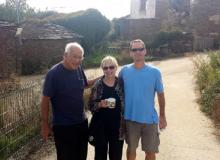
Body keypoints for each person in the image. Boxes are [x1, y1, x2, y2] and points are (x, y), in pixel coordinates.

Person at [41, 42, 98, 160]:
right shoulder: (54, 74)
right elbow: (45, 100)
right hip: (63, 127)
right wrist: (45, 124)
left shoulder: (78, 69)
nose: (77, 60)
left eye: (80, 57)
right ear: (65, 55)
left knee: (81, 156)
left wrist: (102, 78)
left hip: (81, 123)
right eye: (74, 56)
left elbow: (85, 84)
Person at [119, 39, 167, 160]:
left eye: (140, 49)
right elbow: (116, 90)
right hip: (130, 119)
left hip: (150, 120)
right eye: (134, 50)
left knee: (150, 153)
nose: (138, 52)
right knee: (131, 150)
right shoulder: (124, 71)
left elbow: (161, 95)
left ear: (145, 51)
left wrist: (162, 116)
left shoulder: (155, 72)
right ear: (130, 53)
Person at [88, 56, 124, 160]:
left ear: (116, 67)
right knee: (100, 156)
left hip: (117, 127)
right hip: (101, 126)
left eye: (111, 67)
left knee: (116, 155)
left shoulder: (121, 83)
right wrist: (99, 104)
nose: (108, 70)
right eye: (105, 68)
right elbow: (90, 106)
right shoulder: (97, 85)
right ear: (102, 69)